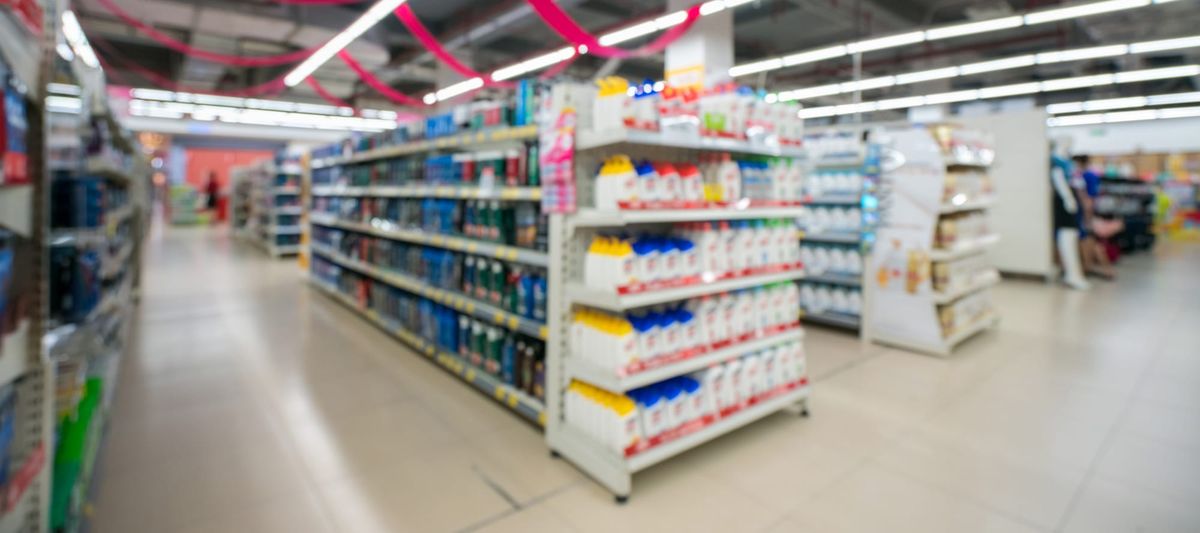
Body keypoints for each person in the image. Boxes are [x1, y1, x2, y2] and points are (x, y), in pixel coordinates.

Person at [1050, 139, 1089, 290]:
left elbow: (1077, 182)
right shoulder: (1056, 162)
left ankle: (1074, 273)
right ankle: (1071, 274)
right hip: (1065, 203)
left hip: (1071, 201)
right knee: (1067, 236)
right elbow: (1059, 180)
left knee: (1072, 236)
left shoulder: (1067, 162)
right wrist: (1068, 198)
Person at [1072, 155, 1117, 279]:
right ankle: (1088, 266)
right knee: (1086, 241)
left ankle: (1106, 270)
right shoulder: (1084, 176)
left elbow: (1089, 200)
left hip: (1085, 215)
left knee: (1091, 241)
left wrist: (1088, 217)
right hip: (1083, 214)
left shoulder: (1086, 176)